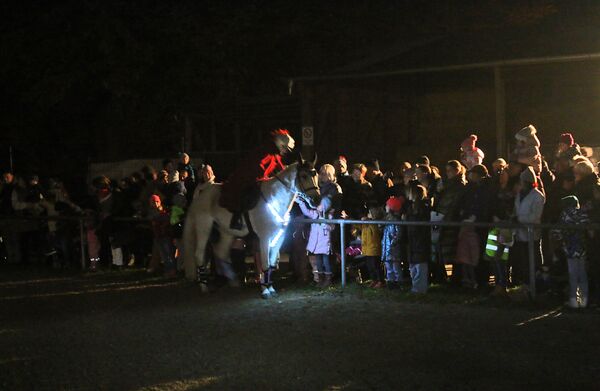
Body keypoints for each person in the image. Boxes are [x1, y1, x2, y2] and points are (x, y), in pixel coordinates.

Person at [220, 129, 295, 229]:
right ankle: (237, 218)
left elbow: (279, 167)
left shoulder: (275, 154)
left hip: (261, 179)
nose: (285, 151)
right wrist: (264, 177)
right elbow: (258, 165)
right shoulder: (265, 150)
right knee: (248, 194)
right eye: (286, 149)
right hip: (250, 178)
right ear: (281, 144)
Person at [511, 166, 546, 297]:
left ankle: (534, 287)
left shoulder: (537, 196)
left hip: (532, 234)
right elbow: (517, 209)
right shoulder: (519, 195)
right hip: (520, 233)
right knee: (522, 261)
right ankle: (525, 285)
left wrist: (519, 219)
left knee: (532, 260)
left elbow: (535, 217)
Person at [552, 196, 590, 308]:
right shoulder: (583, 214)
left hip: (569, 248)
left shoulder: (564, 215)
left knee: (573, 274)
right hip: (582, 248)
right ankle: (584, 300)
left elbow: (557, 233)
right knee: (582, 274)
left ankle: (573, 300)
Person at [296, 197, 335, 288]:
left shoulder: (329, 217)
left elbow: (332, 227)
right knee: (318, 262)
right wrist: (301, 203)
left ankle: (328, 280)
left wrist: (326, 225)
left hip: (324, 243)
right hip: (316, 244)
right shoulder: (315, 214)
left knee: (326, 262)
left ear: (325, 206)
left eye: (321, 204)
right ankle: (320, 280)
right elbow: (306, 212)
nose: (319, 206)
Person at [405, 181, 431, 294]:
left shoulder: (422, 207)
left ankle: (419, 288)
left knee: (419, 264)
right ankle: (417, 287)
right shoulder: (413, 207)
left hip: (418, 238)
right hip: (415, 238)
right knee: (416, 264)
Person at [149, 194, 176, 278]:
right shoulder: (153, 212)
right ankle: (168, 271)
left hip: (165, 235)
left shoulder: (164, 212)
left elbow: (167, 223)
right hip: (158, 236)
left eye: (157, 201)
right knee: (164, 255)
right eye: (154, 202)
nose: (155, 203)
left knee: (168, 254)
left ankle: (172, 271)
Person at [381, 196, 405, 289]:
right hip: (387, 247)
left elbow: (399, 233)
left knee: (396, 266)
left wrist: (394, 242)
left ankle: (398, 282)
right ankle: (391, 282)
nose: (385, 207)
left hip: (393, 247)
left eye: (387, 205)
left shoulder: (396, 220)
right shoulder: (386, 219)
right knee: (389, 266)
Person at [357, 207, 384, 288]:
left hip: (373, 249)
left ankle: (380, 281)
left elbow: (374, 230)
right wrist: (348, 218)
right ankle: (374, 280)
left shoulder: (374, 224)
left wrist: (367, 220)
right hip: (367, 249)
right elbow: (359, 225)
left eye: (369, 213)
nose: (367, 215)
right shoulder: (366, 224)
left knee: (376, 266)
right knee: (370, 266)